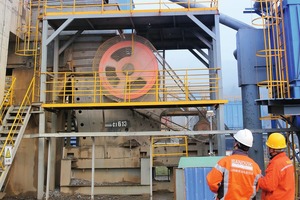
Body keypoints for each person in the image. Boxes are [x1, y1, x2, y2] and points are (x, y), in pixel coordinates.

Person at [206, 129, 261, 200]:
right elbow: (255, 188)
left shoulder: (225, 162)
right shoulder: (255, 167)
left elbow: (212, 182)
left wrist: (221, 193)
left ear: (236, 144)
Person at [258, 132, 295, 200]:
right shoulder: (286, 160)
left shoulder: (276, 164)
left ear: (272, 149)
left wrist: (258, 179)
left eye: (268, 147)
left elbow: (268, 185)